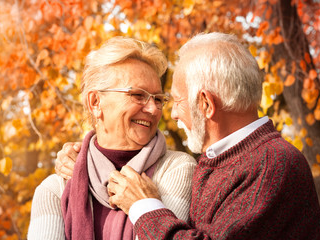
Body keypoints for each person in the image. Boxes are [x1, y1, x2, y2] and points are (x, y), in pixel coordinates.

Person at [55, 32, 320, 239]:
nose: (170, 115)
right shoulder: (228, 159)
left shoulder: (272, 163)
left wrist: (142, 206)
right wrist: (85, 159)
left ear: (205, 104)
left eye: (175, 101)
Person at [27, 36, 196, 240]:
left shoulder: (177, 169)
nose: (153, 109)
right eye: (138, 95)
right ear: (96, 102)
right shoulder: (55, 189)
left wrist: (142, 204)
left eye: (158, 99)